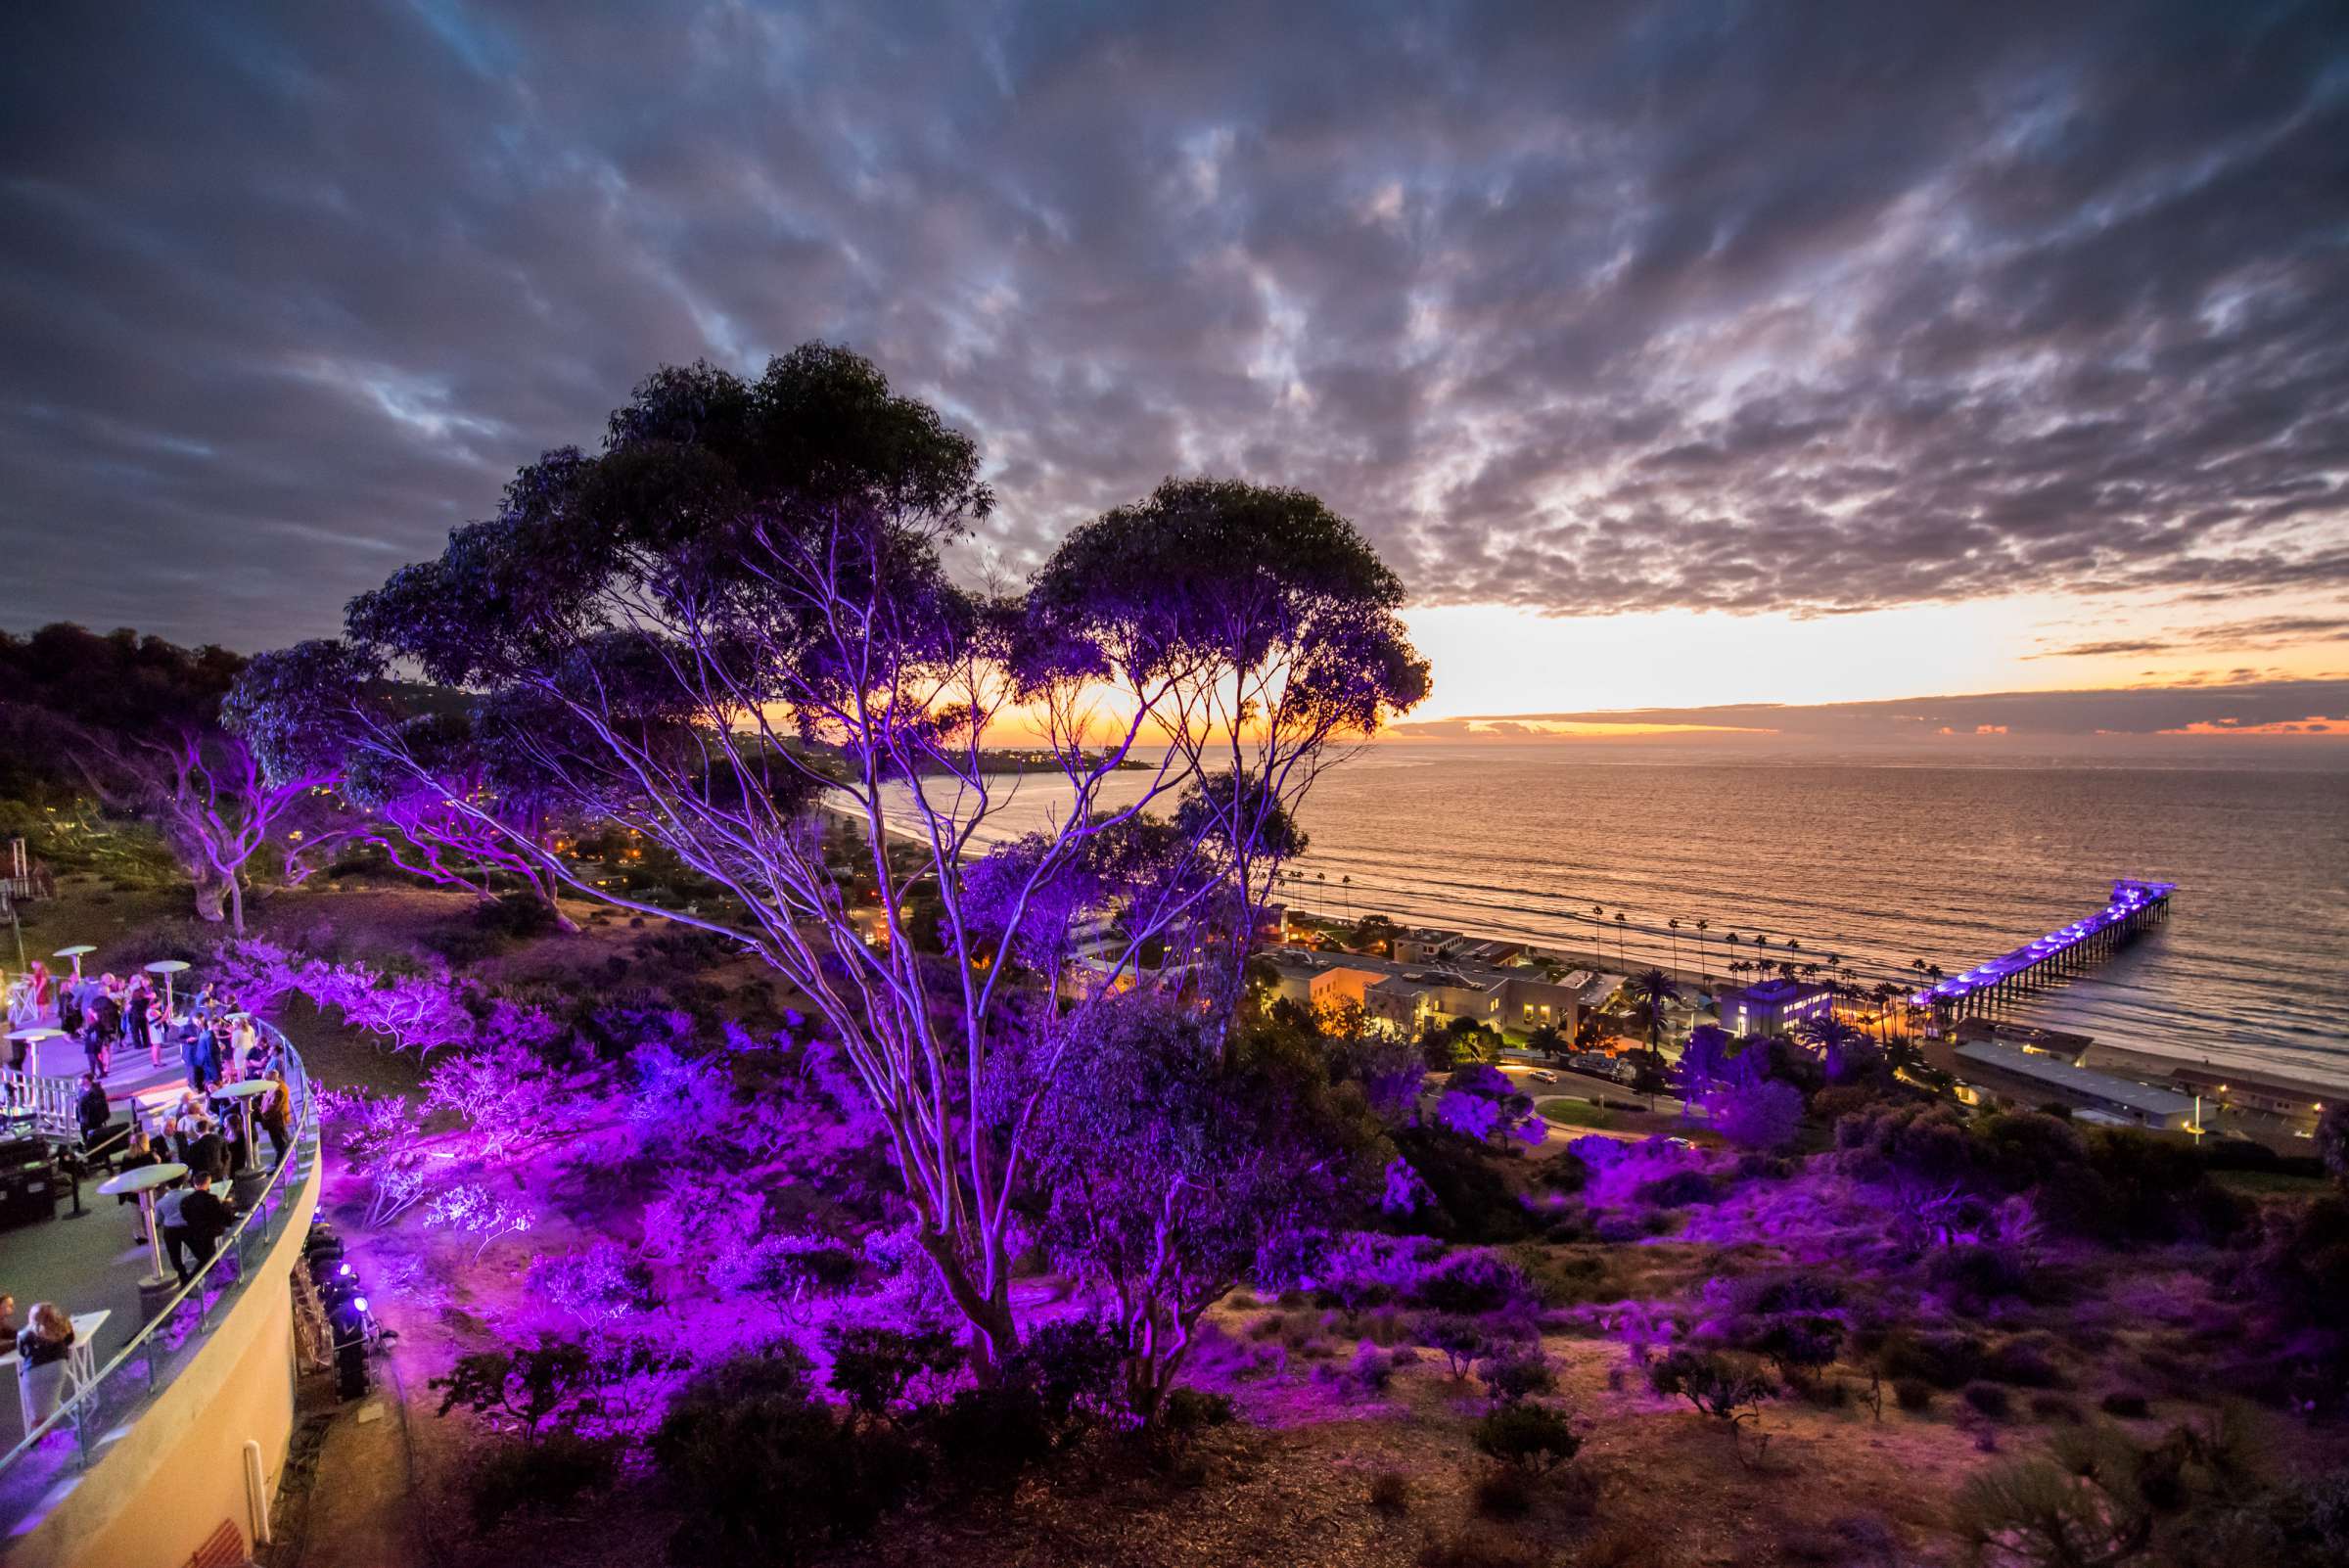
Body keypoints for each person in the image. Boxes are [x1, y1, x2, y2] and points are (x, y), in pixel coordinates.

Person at [15, 1303, 76, 1426]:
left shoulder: (23, 1334)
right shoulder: (63, 1326)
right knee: (51, 1409)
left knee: (37, 1415)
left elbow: (22, 1352)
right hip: (57, 1367)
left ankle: (42, 1440)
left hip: (33, 1372)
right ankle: (51, 1437)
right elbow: (70, 1340)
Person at [177, 1174, 235, 1279]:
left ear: (194, 1183)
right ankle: (192, 1279)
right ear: (208, 1183)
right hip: (210, 1231)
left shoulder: (186, 1201)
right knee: (208, 1258)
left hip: (194, 1232)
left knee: (206, 1256)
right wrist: (227, 1204)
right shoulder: (212, 1199)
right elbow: (222, 1216)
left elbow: (185, 1216)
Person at [157, 1179, 193, 1283]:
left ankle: (183, 1277)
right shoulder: (189, 1193)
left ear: (167, 1185)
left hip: (170, 1230)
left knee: (175, 1256)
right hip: (187, 1227)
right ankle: (199, 1272)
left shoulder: (161, 1202)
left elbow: (158, 1220)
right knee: (197, 1249)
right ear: (181, 1183)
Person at [257, 1075, 292, 1167]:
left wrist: (263, 1115)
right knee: (280, 1140)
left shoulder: (278, 1091)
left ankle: (280, 1164)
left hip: (276, 1122)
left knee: (279, 1143)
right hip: (274, 1122)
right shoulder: (273, 1087)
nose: (263, 1081)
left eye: (265, 1079)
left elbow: (274, 1108)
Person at [75, 1074, 112, 1152]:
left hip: (94, 1120)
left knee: (96, 1139)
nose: (80, 1081)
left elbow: (99, 1105)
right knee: (86, 1140)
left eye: (82, 1079)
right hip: (84, 1121)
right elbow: (80, 1103)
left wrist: (85, 1104)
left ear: (87, 1080)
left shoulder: (97, 1091)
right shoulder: (81, 1091)